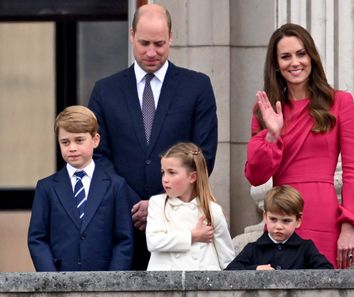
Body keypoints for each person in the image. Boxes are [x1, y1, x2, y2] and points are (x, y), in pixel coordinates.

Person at [88, 3, 218, 270]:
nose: (151, 52)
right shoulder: (105, 91)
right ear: (131, 35)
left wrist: (159, 205)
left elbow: (203, 154)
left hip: (179, 225)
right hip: (121, 225)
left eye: (159, 44)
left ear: (171, 37)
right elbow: (97, 155)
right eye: (144, 42)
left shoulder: (197, 86)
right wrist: (134, 203)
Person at [244, 23, 354, 269]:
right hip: (282, 216)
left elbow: (353, 170)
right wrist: (272, 134)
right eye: (285, 56)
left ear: (311, 57)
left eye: (301, 53)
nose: (295, 62)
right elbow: (256, 176)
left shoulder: (340, 102)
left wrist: (348, 226)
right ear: (276, 65)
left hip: (325, 216)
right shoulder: (265, 110)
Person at [28, 106, 133, 271]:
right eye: (65, 142)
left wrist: (114, 282)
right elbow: (37, 238)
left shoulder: (115, 185)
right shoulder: (46, 187)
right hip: (60, 281)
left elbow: (123, 240)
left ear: (95, 140)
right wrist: (51, 280)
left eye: (79, 140)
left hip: (104, 282)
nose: (72, 148)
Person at [145, 142, 234, 270]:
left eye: (172, 172)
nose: (165, 179)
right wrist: (193, 236)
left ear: (192, 177)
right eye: (163, 172)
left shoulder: (212, 210)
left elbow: (227, 259)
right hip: (165, 284)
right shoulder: (157, 203)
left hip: (203, 285)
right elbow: (154, 241)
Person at [226, 185, 333, 270]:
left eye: (286, 221)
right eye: (273, 219)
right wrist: (256, 269)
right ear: (265, 217)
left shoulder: (306, 248)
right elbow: (230, 271)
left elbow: (326, 270)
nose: (279, 226)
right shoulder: (253, 249)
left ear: (298, 221)